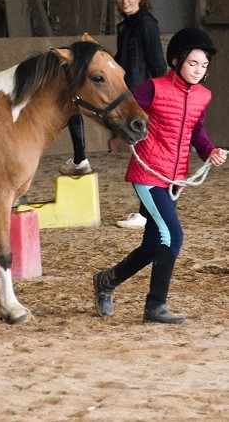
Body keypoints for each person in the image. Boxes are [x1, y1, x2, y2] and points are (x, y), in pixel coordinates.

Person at [93, 28, 226, 324]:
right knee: (174, 236)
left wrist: (209, 151)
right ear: (176, 60)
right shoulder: (152, 88)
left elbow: (197, 131)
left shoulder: (203, 96)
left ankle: (107, 280)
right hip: (148, 173)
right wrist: (121, 135)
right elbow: (121, 108)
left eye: (204, 66)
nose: (198, 70)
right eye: (193, 63)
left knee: (153, 245)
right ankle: (155, 306)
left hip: (175, 179)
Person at [59, 0, 168, 231]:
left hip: (140, 95)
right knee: (76, 103)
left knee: (144, 157)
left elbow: (158, 64)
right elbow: (120, 62)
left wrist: (158, 99)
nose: (124, 1)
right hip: (125, 91)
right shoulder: (125, 26)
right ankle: (80, 159)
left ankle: (146, 213)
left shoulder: (146, 25)